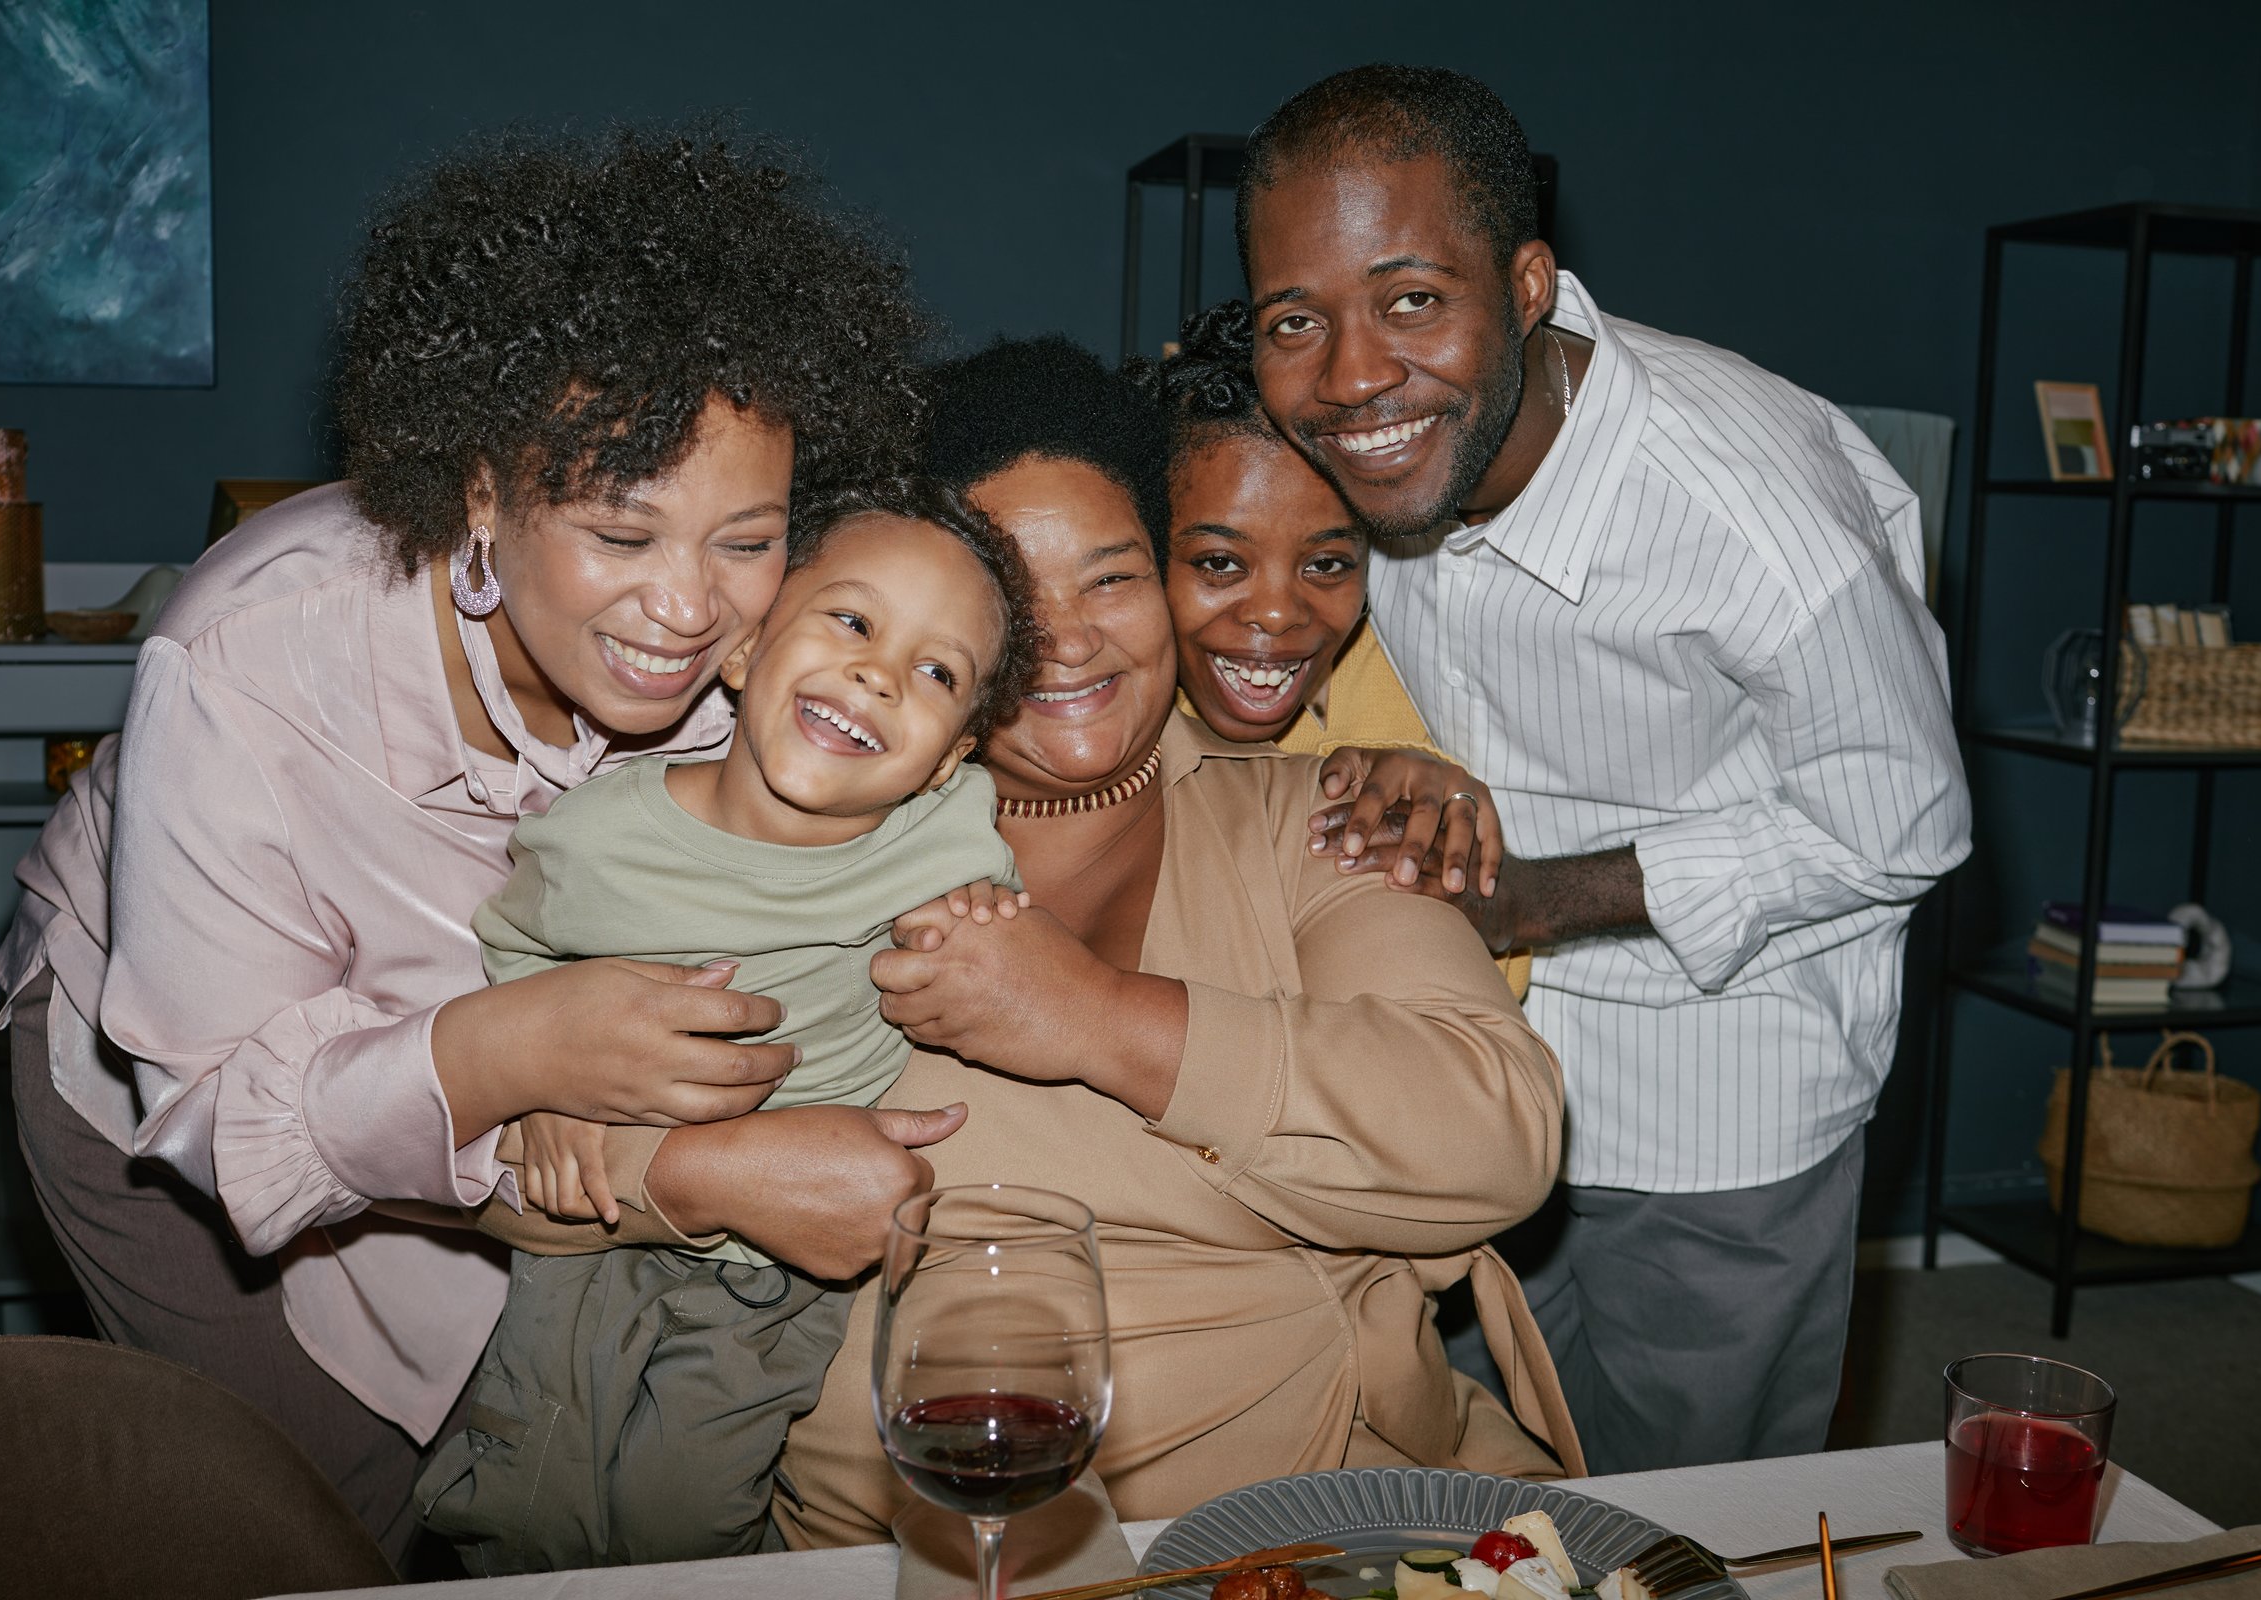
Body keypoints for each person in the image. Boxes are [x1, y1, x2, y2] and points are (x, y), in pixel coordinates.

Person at [0, 124, 963, 1563]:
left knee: (509, 1495)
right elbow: (225, 1109)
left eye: (744, 540)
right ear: (486, 496)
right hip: (177, 1090)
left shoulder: (767, 660)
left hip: (516, 1123)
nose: (687, 611)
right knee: (314, 1527)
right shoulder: (254, 656)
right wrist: (518, 1055)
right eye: (621, 534)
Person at [483, 336, 1583, 1545]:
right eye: (1012, 594)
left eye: (1112, 579)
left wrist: (1097, 1020)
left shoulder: (1311, 818)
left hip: (1301, 1523)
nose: (1065, 639)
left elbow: (1498, 1133)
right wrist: (691, 1172)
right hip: (883, 1551)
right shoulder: (771, 844)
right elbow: (494, 1175)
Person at [1236, 65, 1973, 1472]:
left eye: (1408, 300)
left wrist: (1538, 900)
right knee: (1470, 1502)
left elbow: (1906, 817)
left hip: (1711, 1108)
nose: (1349, 378)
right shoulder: (1356, 449)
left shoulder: (1741, 514)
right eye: (1295, 320)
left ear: (1523, 284)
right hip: (1460, 1078)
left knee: (1691, 1528)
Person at [417, 481, 1038, 1571]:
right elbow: (508, 957)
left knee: (690, 1509)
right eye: (850, 619)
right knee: (531, 1482)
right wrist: (542, 1084)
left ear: (951, 757)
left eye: (937, 673)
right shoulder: (600, 835)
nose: (879, 673)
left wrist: (989, 909)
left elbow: (1001, 908)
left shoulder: (946, 835)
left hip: (785, 1258)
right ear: (746, 654)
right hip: (602, 1218)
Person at [1134, 303, 1524, 998]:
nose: (1279, 613)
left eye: (1328, 565)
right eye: (1220, 563)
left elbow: (1482, 981)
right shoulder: (1100, 712)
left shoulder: (1421, 702)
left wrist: (1447, 834)